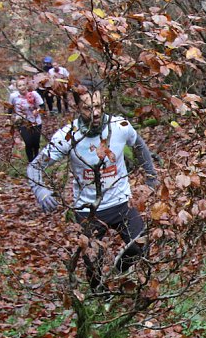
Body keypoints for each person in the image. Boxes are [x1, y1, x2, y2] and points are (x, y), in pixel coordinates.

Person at [26, 78, 159, 292]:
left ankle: (119, 270)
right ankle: (99, 294)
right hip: (89, 211)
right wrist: (40, 190)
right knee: (92, 263)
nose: (95, 113)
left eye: (98, 106)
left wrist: (152, 176)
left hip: (121, 202)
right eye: (88, 108)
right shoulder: (67, 136)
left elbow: (139, 146)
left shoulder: (120, 126)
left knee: (140, 245)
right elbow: (34, 167)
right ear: (78, 107)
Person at [8, 76, 45, 162]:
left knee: (35, 144)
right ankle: (31, 162)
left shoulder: (34, 94)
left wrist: (37, 110)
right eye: (20, 86)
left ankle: (36, 159)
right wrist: (8, 118)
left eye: (23, 85)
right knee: (28, 143)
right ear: (17, 88)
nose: (22, 87)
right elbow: (10, 108)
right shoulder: (13, 96)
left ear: (26, 86)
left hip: (35, 122)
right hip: (22, 122)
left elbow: (42, 106)